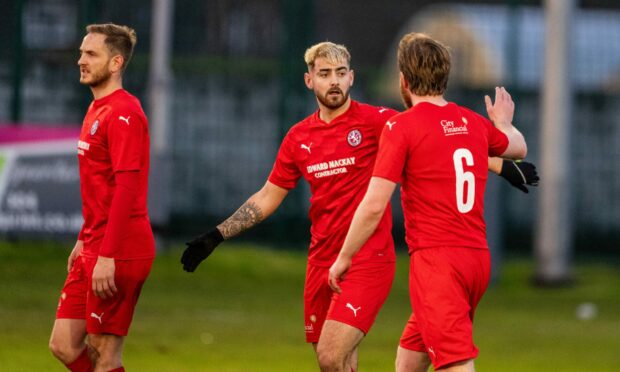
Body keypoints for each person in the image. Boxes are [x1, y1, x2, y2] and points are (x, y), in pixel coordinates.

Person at [182, 42, 536, 372]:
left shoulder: (381, 122)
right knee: (339, 363)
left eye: (340, 73)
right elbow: (267, 197)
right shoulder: (298, 138)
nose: (333, 81)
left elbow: (433, 142)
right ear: (309, 81)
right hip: (322, 258)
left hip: (367, 257)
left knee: (330, 354)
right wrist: (216, 235)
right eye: (324, 74)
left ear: (352, 77)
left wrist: (502, 167)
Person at [328, 33, 528, 372]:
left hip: (438, 263)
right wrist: (505, 124)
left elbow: (375, 205)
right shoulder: (470, 121)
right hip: (476, 260)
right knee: (408, 362)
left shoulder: (401, 126)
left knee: (456, 364)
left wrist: (344, 257)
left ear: (403, 81)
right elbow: (518, 148)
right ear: (444, 78)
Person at [49, 23, 155, 372]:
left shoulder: (124, 113)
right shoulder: (98, 108)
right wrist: (84, 237)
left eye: (91, 54)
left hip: (120, 247)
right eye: (81, 52)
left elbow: (126, 188)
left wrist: (107, 255)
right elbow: (101, 187)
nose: (81, 59)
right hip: (94, 241)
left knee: (104, 352)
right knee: (64, 344)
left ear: (116, 63)